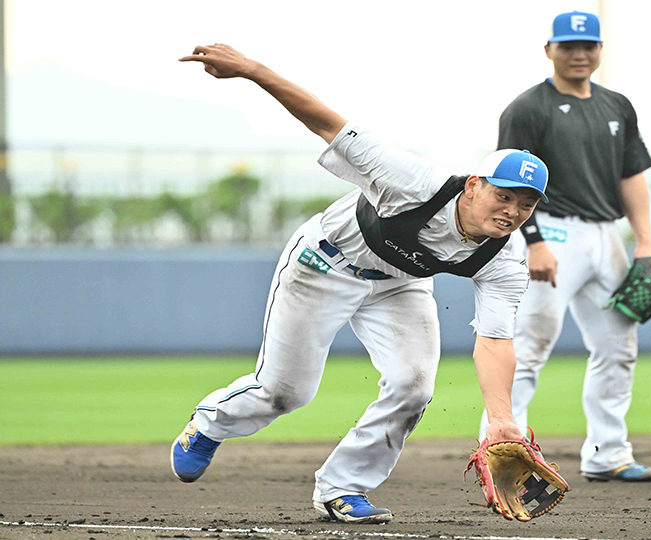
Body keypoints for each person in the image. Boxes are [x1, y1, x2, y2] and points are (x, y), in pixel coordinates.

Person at [173, 43, 549, 524]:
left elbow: (494, 340)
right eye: (504, 195)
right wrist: (250, 70)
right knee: (285, 392)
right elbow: (327, 123)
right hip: (324, 263)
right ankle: (209, 424)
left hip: (400, 284)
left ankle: (344, 487)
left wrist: (501, 419)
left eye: (526, 204)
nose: (512, 211)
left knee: (414, 385)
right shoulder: (413, 181)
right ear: (474, 185)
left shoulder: (505, 257)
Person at [479, 11, 651, 482]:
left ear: (599, 50)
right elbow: (507, 186)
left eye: (588, 44)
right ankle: (504, 453)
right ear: (549, 50)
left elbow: (632, 177)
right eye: (568, 45)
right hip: (552, 230)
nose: (579, 53)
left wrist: (644, 246)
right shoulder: (527, 108)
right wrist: (535, 243)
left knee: (618, 346)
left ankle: (608, 454)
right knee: (528, 344)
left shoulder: (617, 105)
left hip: (608, 235)